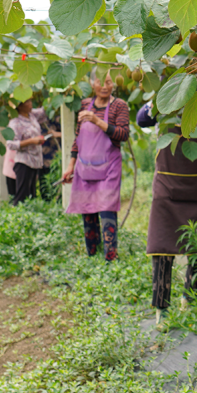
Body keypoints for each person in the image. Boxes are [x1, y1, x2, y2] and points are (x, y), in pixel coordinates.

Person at [137, 102, 197, 322]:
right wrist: (157, 101)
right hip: (166, 188)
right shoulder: (164, 100)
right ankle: (161, 310)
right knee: (161, 249)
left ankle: (190, 301)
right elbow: (141, 119)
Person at [63, 73, 130, 262]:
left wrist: (97, 121)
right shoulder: (85, 104)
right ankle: (92, 257)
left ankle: (110, 258)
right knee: (88, 212)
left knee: (107, 210)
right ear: (92, 83)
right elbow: (78, 139)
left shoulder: (119, 106)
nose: (105, 86)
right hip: (84, 167)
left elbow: (123, 134)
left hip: (109, 168)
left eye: (109, 82)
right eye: (101, 82)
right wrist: (70, 166)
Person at [5, 98, 45, 205]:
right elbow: (10, 144)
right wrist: (32, 141)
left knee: (31, 196)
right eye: (27, 101)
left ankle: (28, 219)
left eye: (30, 100)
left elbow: (44, 111)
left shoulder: (31, 116)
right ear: (19, 106)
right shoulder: (15, 122)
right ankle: (17, 219)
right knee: (21, 197)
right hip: (24, 163)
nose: (31, 103)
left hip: (35, 162)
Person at [32, 107, 62, 198]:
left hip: (54, 156)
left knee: (54, 181)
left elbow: (70, 132)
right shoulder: (34, 116)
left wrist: (57, 134)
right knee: (43, 183)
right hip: (40, 156)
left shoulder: (57, 117)